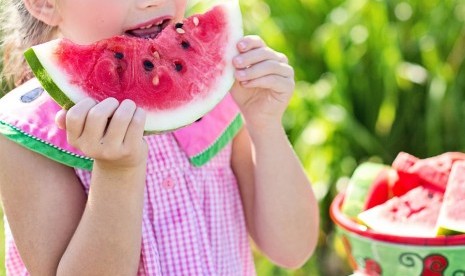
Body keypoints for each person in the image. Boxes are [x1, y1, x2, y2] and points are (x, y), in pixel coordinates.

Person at [0, 0, 319, 275]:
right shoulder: (27, 134)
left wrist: (266, 126)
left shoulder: (219, 91)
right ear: (44, 3)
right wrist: (117, 174)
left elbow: (292, 248)